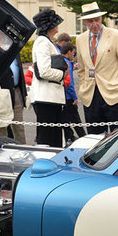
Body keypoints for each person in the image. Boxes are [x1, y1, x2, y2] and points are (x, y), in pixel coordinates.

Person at [75, 2, 118, 133]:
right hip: (90, 95)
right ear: (85, 22)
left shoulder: (116, 36)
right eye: (90, 21)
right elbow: (82, 69)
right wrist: (83, 87)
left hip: (114, 92)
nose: (94, 24)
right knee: (94, 139)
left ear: (101, 18)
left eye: (97, 20)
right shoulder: (80, 39)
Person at [29, 8, 68, 147]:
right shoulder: (42, 42)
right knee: (47, 139)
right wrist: (62, 75)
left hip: (50, 98)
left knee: (54, 138)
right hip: (46, 98)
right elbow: (44, 71)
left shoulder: (47, 42)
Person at [59, 42, 86, 141]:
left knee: (65, 120)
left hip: (61, 96)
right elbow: (69, 83)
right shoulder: (67, 64)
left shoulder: (61, 61)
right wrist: (75, 98)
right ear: (69, 52)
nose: (74, 56)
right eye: (73, 53)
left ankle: (69, 137)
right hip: (69, 97)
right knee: (76, 120)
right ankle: (83, 138)